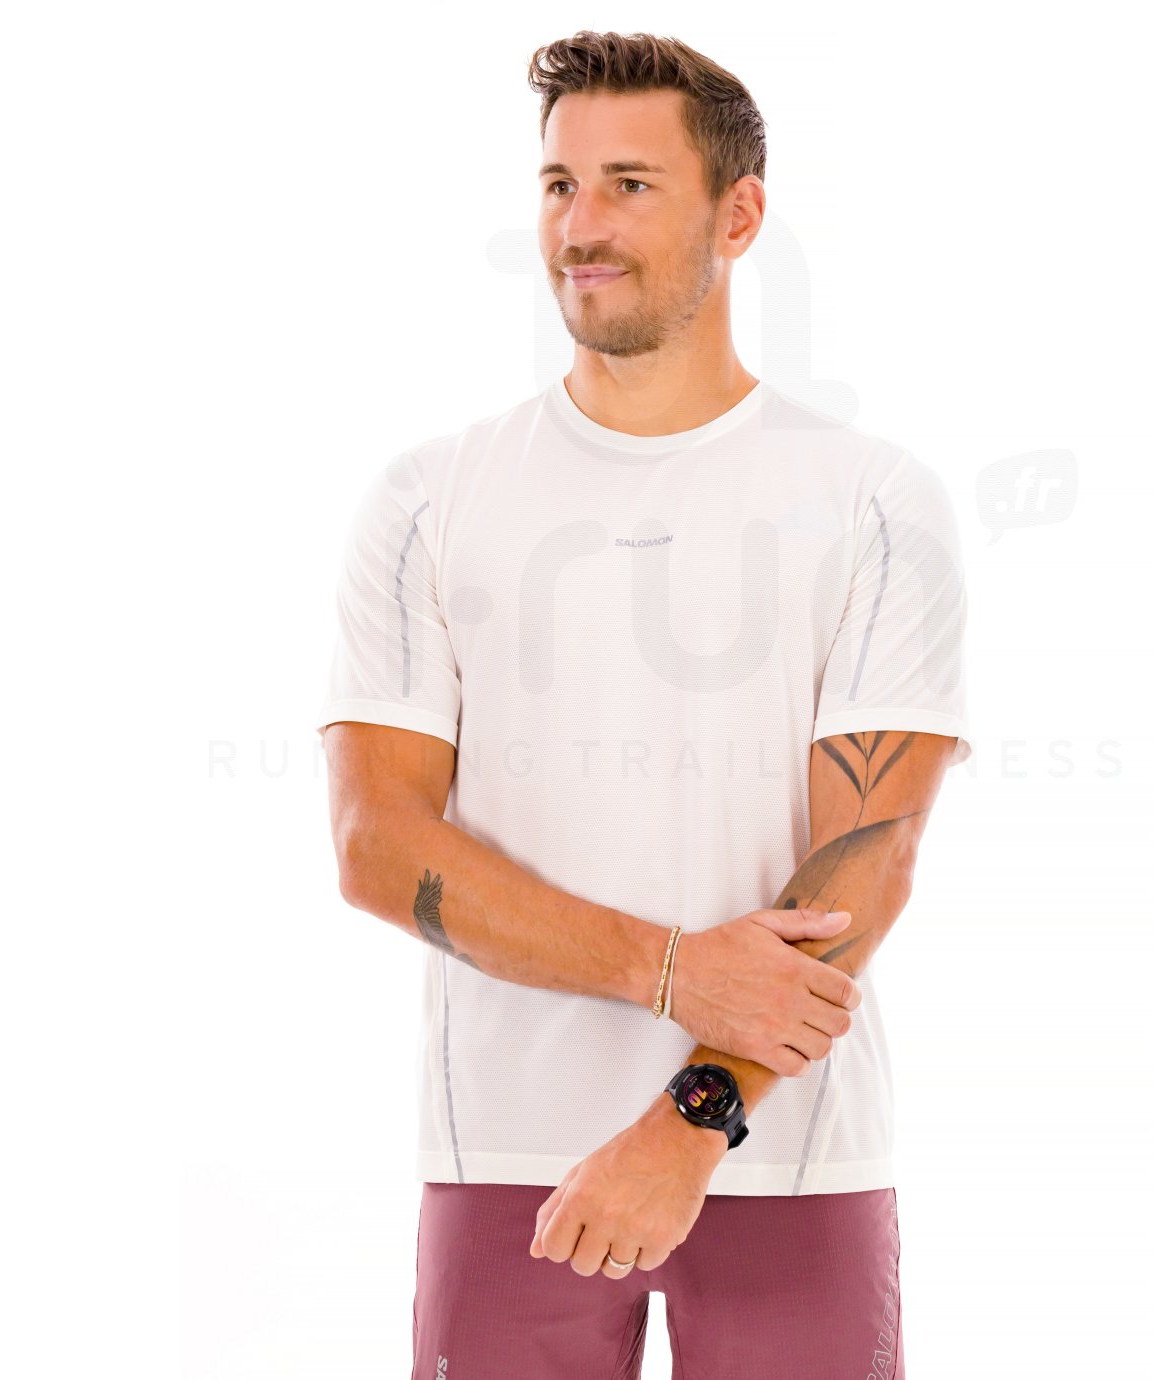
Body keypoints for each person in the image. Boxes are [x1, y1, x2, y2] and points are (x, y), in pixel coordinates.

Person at [316, 30, 971, 1380]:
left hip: (790, 1154)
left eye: (629, 184)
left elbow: (869, 859)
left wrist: (687, 1124)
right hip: (508, 1154)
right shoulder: (431, 497)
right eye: (559, 185)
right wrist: (670, 969)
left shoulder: (871, 499)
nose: (581, 227)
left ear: (739, 214)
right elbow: (378, 848)